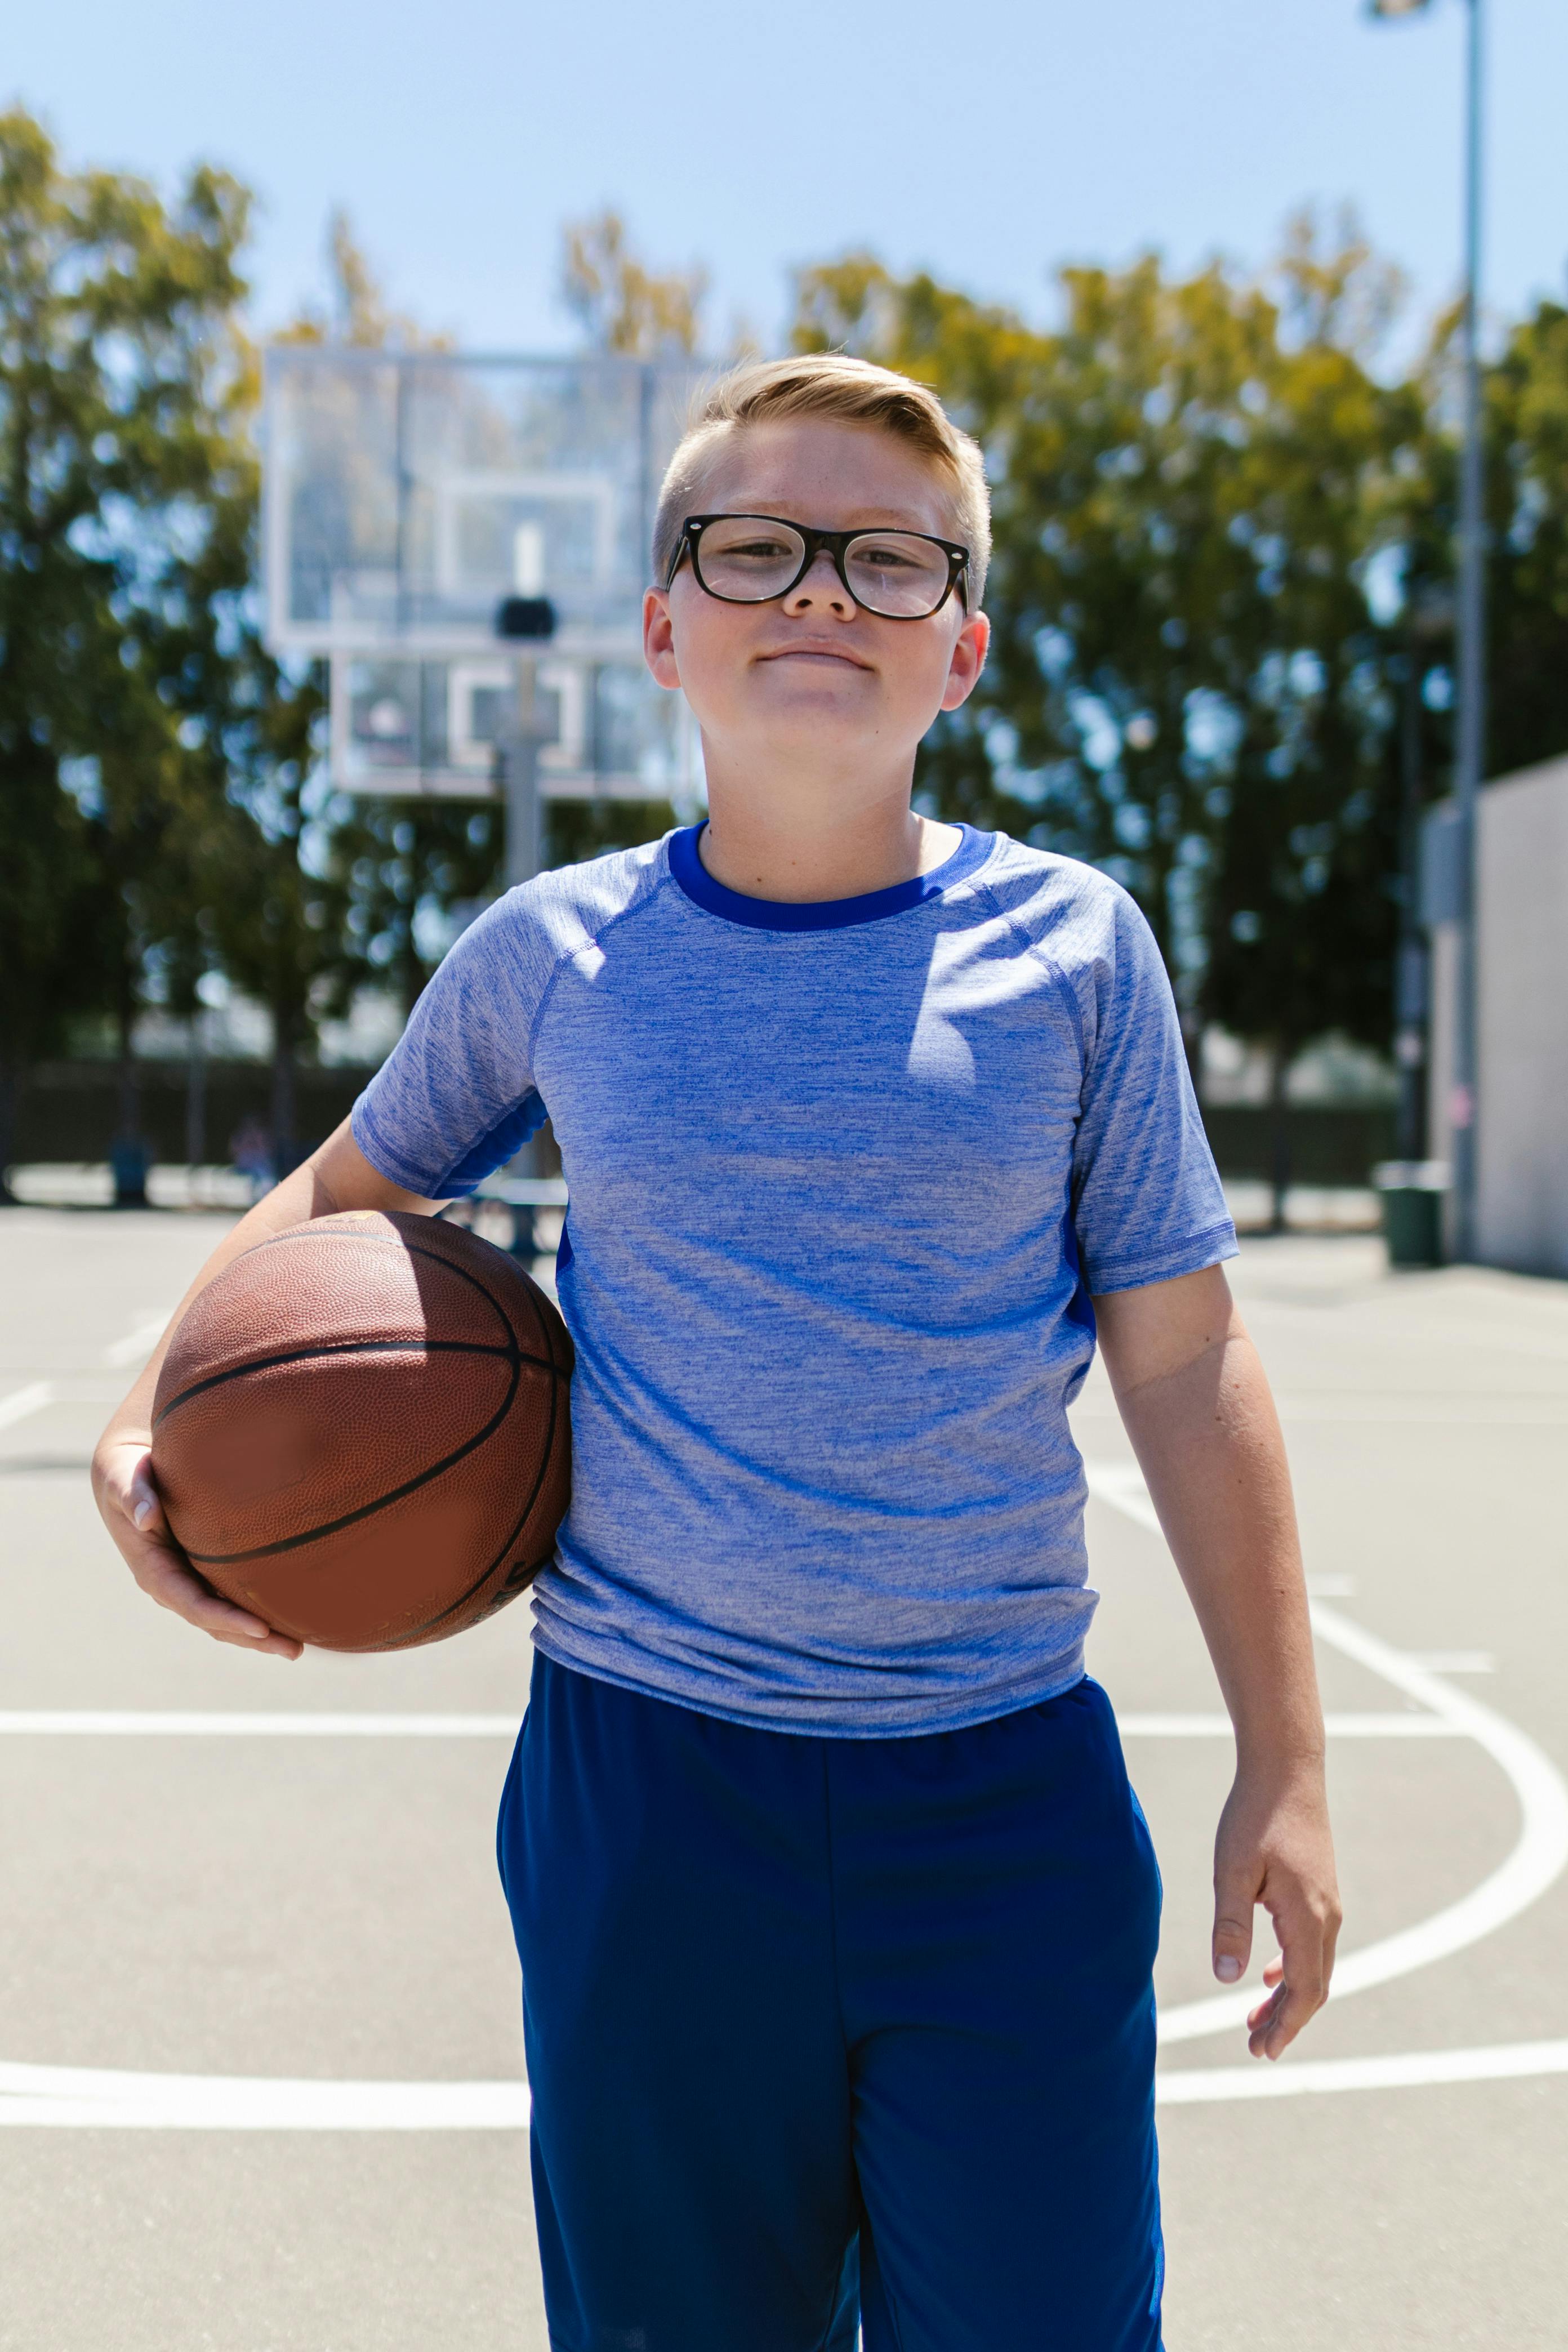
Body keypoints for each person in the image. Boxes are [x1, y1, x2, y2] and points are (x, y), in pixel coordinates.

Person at [93, 354, 1340, 2352]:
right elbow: (329, 1208)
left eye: (889, 560)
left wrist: (1285, 1758)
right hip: (652, 1793)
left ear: (969, 650)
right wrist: (152, 1410)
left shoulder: (1079, 951)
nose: (823, 593)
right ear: (665, 625)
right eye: (756, 548)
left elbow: (1189, 1361)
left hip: (998, 1793)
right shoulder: (552, 955)